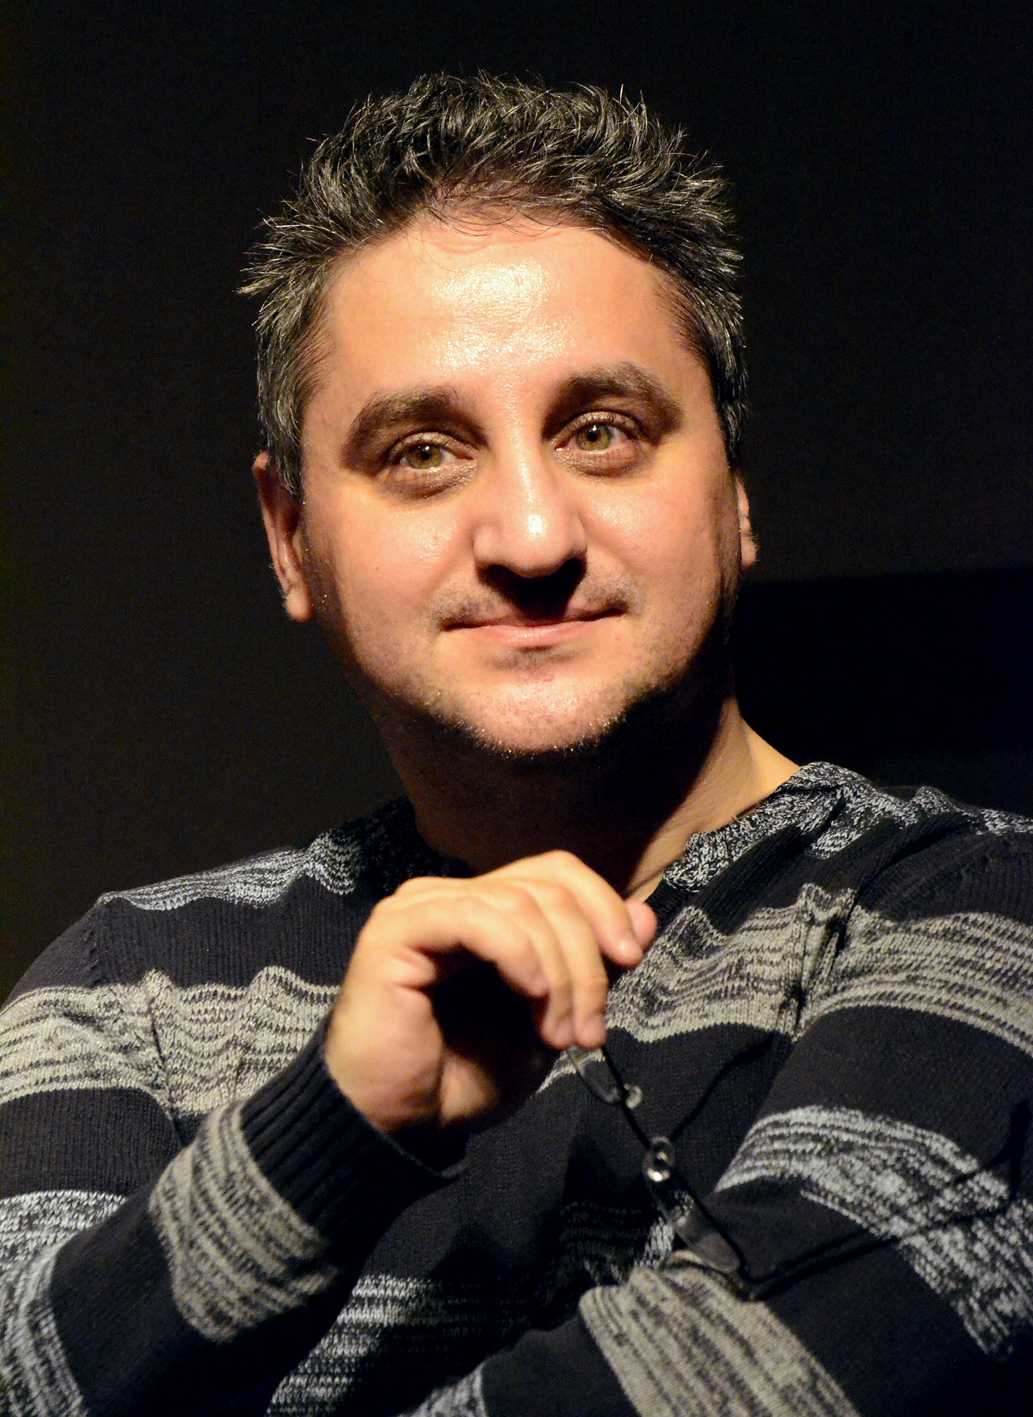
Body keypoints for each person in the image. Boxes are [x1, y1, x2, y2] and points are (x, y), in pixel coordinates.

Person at [2, 72, 1031, 1417]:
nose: (532, 537)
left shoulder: (983, 919)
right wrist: (327, 1132)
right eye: (423, 452)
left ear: (733, 492)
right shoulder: (126, 989)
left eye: (603, 433)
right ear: (290, 537)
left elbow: (748, 1386)